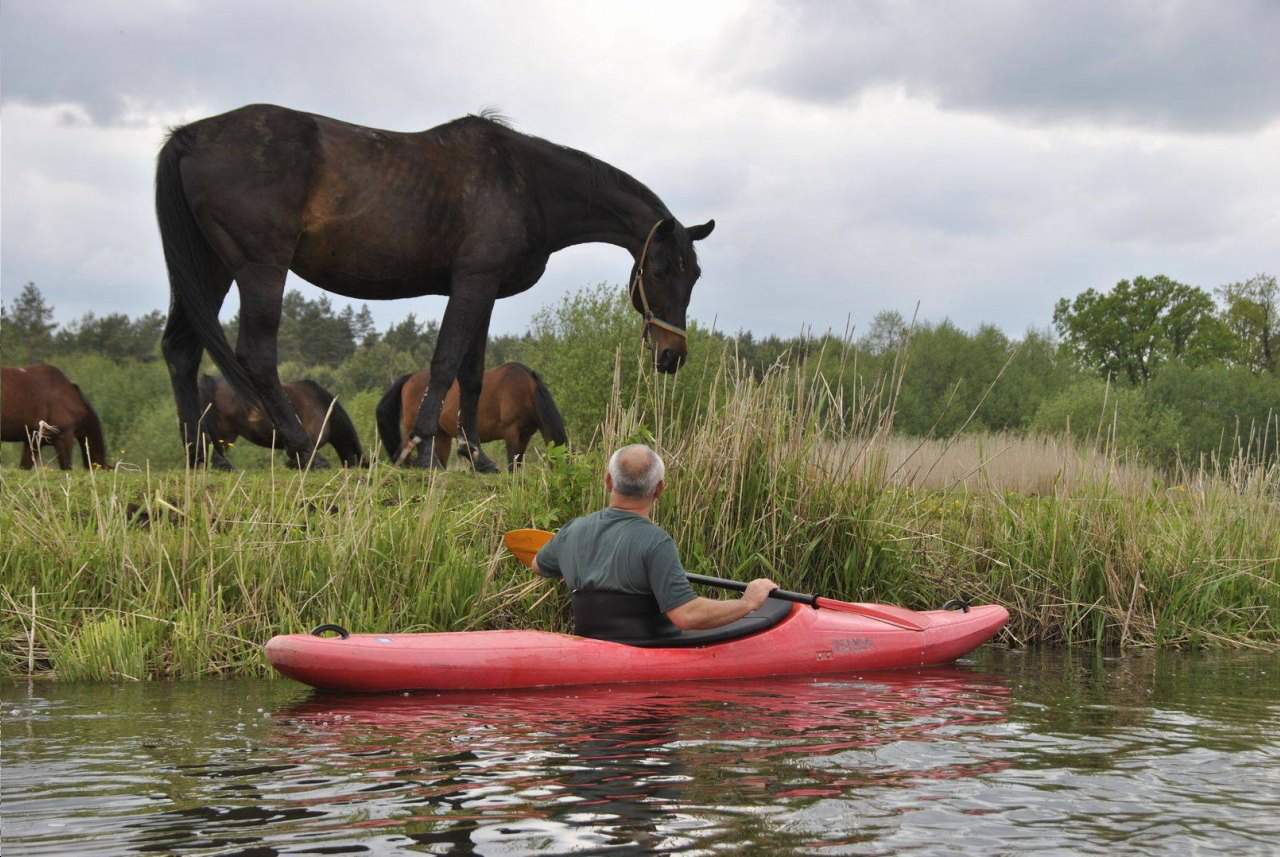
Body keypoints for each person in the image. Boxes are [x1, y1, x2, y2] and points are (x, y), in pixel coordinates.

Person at [532, 443, 778, 642]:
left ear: (608, 481)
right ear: (659, 489)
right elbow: (686, 616)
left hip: (595, 647)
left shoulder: (572, 531)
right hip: (648, 650)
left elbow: (538, 565)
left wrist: (573, 558)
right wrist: (748, 602)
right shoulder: (656, 542)